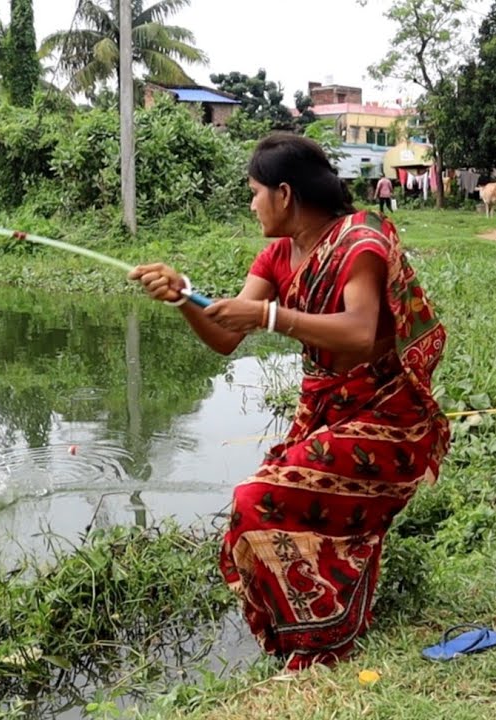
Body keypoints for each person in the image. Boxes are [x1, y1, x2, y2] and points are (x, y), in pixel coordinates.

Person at [128, 133, 449, 671]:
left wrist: (270, 317)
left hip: (388, 418)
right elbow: (226, 336)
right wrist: (183, 296)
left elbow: (358, 328)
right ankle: (317, 635)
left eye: (254, 193)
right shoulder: (278, 254)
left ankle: (318, 643)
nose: (252, 205)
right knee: (266, 511)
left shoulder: (359, 241)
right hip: (323, 412)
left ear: (283, 193)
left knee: (259, 498)